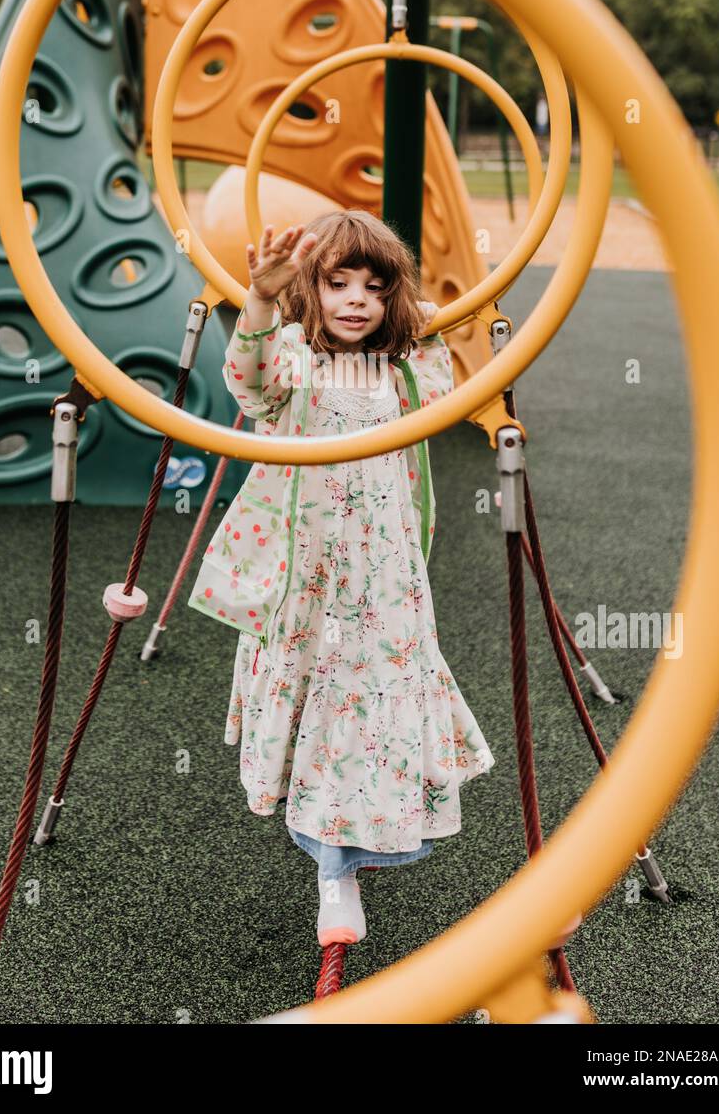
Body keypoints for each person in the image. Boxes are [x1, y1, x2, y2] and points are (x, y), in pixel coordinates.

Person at [189, 211, 495, 946]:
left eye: (374, 286)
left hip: (384, 578)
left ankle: (356, 842)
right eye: (337, 282)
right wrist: (261, 301)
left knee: (374, 704)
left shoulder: (404, 368)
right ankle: (334, 871)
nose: (356, 298)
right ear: (310, 290)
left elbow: (441, 386)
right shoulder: (291, 356)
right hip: (309, 578)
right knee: (324, 711)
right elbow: (252, 385)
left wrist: (425, 311)